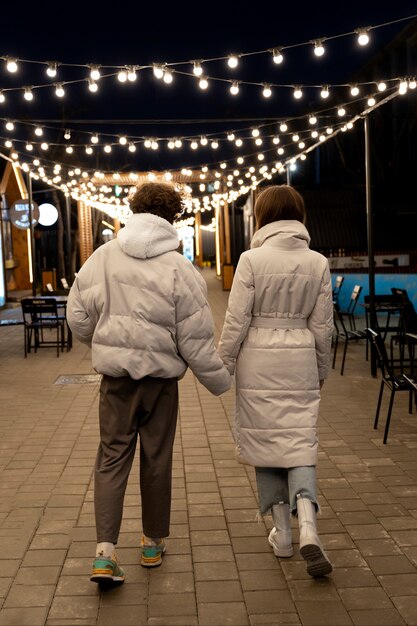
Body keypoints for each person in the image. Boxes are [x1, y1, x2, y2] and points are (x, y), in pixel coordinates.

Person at [67, 182, 230, 585]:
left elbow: (78, 315)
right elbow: (195, 338)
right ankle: (152, 543)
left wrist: (104, 340)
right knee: (156, 459)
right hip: (160, 384)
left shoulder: (102, 257)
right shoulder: (179, 268)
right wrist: (221, 382)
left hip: (115, 381)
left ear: (133, 209)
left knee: (111, 457)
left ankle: (105, 554)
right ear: (173, 216)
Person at [218, 184, 333, 577]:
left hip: (258, 359)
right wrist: (320, 369)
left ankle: (282, 535)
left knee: (264, 441)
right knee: (301, 441)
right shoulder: (318, 261)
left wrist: (223, 364)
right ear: (298, 215)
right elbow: (323, 327)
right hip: (299, 356)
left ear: (263, 216)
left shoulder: (250, 260)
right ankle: (310, 529)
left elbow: (236, 320)